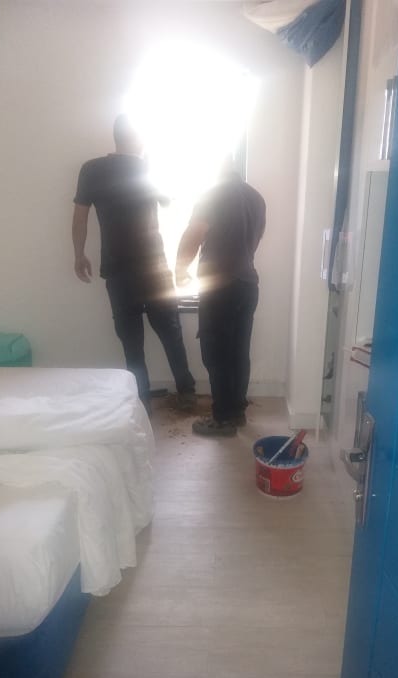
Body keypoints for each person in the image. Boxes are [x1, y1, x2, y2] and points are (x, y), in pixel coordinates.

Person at [72, 114, 196, 415]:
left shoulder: (91, 169)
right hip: (153, 269)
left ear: (116, 137)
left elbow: (79, 217)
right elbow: (169, 201)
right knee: (171, 333)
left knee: (131, 342)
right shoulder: (146, 169)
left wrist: (79, 254)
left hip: (118, 270)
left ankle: (141, 401)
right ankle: (186, 392)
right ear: (139, 139)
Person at [176, 162, 266, 437]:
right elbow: (255, 240)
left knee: (215, 353)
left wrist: (180, 269)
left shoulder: (212, 195)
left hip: (219, 287)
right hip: (247, 284)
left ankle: (223, 418)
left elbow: (194, 233)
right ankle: (237, 412)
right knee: (238, 352)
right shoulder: (256, 198)